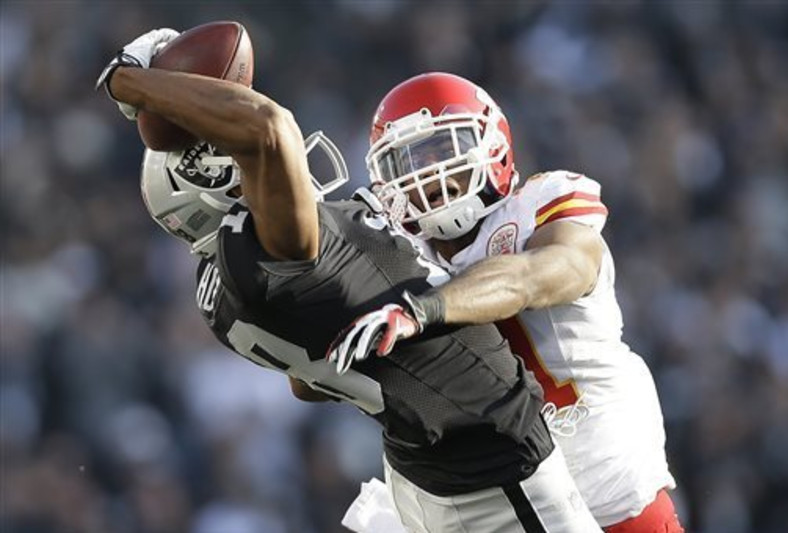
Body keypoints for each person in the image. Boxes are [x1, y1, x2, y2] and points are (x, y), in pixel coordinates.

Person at [97, 29, 602, 532]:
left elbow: (307, 383)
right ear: (210, 177)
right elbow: (268, 126)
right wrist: (130, 80)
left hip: (420, 470)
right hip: (495, 460)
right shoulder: (265, 247)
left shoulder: (226, 280)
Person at [328, 72, 685, 532]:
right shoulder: (399, 251)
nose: (423, 173)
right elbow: (319, 371)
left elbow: (544, 274)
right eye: (404, 162)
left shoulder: (539, 204)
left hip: (601, 478)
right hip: (484, 496)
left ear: (491, 144)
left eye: (438, 150)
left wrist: (427, 308)